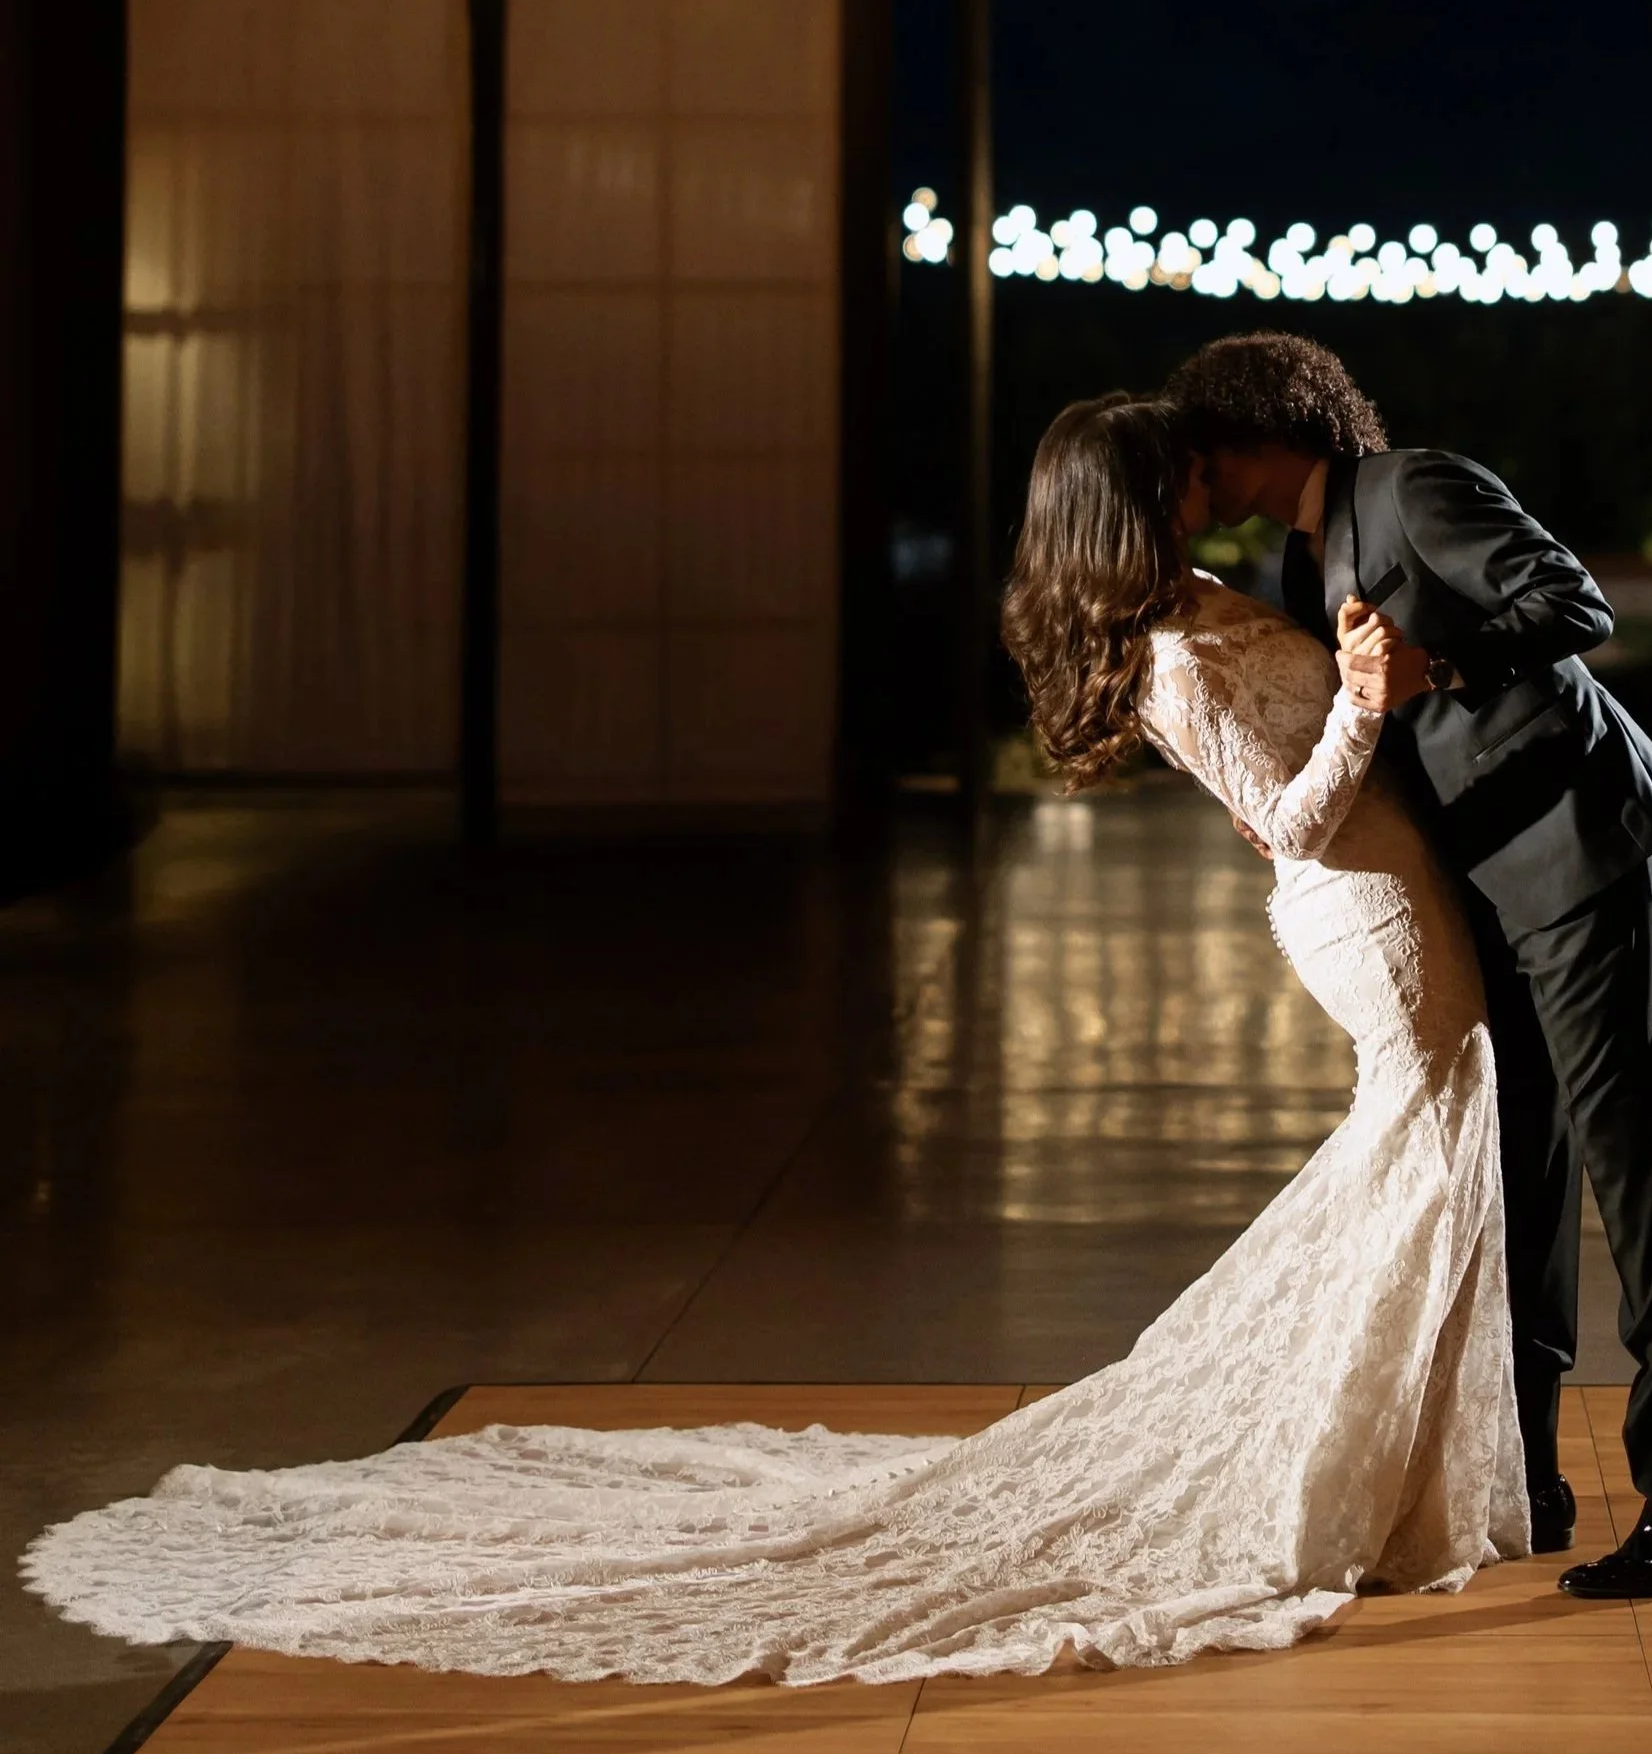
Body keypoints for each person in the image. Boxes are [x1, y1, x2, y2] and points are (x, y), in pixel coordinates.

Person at [24, 397, 1526, 1686]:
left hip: (1389, 901)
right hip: (1365, 918)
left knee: (1427, 1162)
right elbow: (1286, 822)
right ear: (1136, 506)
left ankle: (1387, 1482)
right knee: (1415, 1155)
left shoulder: (1200, 600)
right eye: (1182, 474)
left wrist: (1368, 662)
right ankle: (1336, 1487)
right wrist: (1368, 706)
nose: (1210, 482)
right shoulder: (1173, 658)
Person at [1163, 331, 1652, 1602]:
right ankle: (1528, 1475)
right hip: (1484, 880)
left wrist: (1446, 664)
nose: (1197, 473)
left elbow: (1573, 608)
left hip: (1579, 847)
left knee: (1628, 1168)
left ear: (1262, 431)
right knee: (1521, 1173)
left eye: (1205, 448)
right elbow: (1368, 714)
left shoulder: (1413, 487)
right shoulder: (1298, 550)